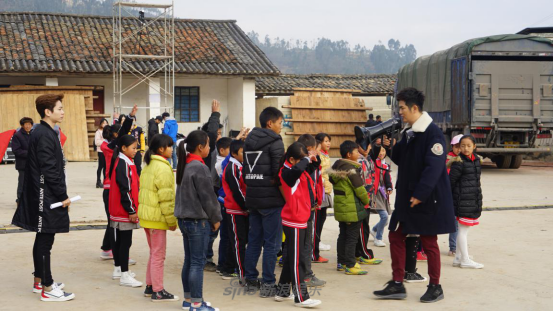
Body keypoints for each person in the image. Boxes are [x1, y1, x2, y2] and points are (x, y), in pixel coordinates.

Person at [373, 88, 456, 303]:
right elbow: (401, 159)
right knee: (395, 235)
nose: (399, 112)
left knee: (429, 242)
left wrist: (421, 194)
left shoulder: (432, 134)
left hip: (426, 198)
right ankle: (397, 283)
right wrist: (390, 145)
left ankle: (435, 286)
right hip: (408, 197)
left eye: (402, 108)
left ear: (414, 108)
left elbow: (434, 167)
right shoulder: (410, 132)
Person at [11, 94, 75, 302]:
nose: (63, 112)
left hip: (45, 193)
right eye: (59, 108)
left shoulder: (45, 131)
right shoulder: (44, 134)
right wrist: (63, 196)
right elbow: (49, 169)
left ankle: (40, 280)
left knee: (43, 237)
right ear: (48, 112)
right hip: (45, 195)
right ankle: (47, 287)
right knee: (45, 239)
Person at [175, 130, 222, 312]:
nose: (210, 148)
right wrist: (216, 218)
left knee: (190, 260)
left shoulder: (185, 164)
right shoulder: (199, 167)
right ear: (200, 147)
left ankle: (189, 299)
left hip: (184, 219)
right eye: (209, 145)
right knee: (197, 262)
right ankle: (196, 303)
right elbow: (208, 198)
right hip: (196, 221)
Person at [243, 107, 285, 297]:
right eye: (280, 123)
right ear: (270, 123)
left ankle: (250, 281)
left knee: (254, 241)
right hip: (271, 200)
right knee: (271, 244)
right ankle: (268, 284)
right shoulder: (276, 142)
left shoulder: (249, 141)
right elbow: (279, 174)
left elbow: (246, 172)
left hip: (253, 198)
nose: (281, 127)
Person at [275, 142, 323, 309]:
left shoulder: (298, 169)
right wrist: (306, 159)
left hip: (300, 218)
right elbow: (296, 171)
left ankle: (282, 291)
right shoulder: (286, 172)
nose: (304, 163)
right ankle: (301, 296)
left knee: (291, 258)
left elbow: (310, 169)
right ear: (292, 159)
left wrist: (314, 161)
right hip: (293, 220)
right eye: (300, 160)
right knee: (297, 261)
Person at [138, 134, 180, 302]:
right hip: (157, 218)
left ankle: (150, 286)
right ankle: (158, 290)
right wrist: (171, 221)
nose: (172, 149)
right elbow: (166, 198)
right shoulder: (162, 167)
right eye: (170, 146)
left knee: (154, 253)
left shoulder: (149, 164)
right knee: (158, 255)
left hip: (148, 218)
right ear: (161, 149)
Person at [99, 106, 137, 262]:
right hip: (111, 189)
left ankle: (108, 249)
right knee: (116, 225)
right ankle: (118, 257)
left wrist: (128, 118)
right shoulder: (108, 148)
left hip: (112, 189)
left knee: (114, 224)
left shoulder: (113, 148)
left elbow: (122, 134)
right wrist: (128, 119)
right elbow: (122, 135)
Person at [329, 141, 371, 275]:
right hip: (351, 208)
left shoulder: (337, 167)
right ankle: (350, 265)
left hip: (342, 208)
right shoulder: (351, 170)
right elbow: (360, 190)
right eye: (356, 152)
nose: (358, 154)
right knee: (352, 237)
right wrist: (367, 201)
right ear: (349, 154)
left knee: (343, 235)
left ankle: (341, 262)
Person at [109, 135, 143, 288]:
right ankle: (124, 274)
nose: (136, 150)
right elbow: (125, 190)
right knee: (125, 242)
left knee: (122, 241)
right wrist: (131, 210)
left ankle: (119, 269)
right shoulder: (123, 163)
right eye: (133, 147)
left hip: (122, 209)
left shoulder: (126, 161)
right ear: (124, 148)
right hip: (123, 210)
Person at [449, 135, 484, 269]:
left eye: (469, 146)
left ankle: (458, 257)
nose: (465, 148)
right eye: (462, 146)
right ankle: (465, 259)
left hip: (471, 200)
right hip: (462, 201)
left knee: (464, 230)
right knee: (462, 231)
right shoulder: (459, 162)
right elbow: (450, 182)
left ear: (474, 146)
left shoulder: (476, 161)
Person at [296, 135, 326, 287]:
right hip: (304, 208)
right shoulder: (301, 166)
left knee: (301, 243)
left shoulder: (303, 164)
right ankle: (305, 274)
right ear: (309, 150)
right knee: (305, 243)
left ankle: (301, 274)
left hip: (307, 206)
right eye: (315, 149)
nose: (317, 152)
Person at [222, 140, 248, 284]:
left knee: (242, 242)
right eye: (242, 152)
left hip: (242, 210)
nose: (245, 155)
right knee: (238, 243)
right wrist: (247, 206)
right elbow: (237, 192)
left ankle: (241, 270)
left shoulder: (240, 166)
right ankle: (242, 275)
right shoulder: (232, 167)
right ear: (234, 153)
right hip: (235, 210)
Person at [206, 137, 232, 273]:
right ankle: (212, 260)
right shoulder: (221, 164)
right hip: (221, 201)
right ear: (221, 150)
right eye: (231, 150)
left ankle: (220, 263)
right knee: (218, 232)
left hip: (220, 200)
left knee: (223, 234)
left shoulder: (222, 160)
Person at [355, 144, 383, 266]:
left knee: (363, 227)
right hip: (362, 199)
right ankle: (363, 253)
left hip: (369, 198)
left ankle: (358, 253)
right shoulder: (359, 160)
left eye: (369, 145)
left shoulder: (369, 158)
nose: (367, 148)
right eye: (363, 146)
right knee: (362, 228)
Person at [370, 146, 394, 248]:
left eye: (383, 151)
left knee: (386, 219)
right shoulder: (373, 163)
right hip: (374, 193)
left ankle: (374, 230)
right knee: (384, 216)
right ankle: (378, 238)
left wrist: (389, 188)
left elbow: (387, 178)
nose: (381, 153)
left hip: (382, 193)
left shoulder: (385, 165)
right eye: (379, 151)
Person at [315, 133, 332, 252]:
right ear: (319, 143)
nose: (328, 143)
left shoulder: (326, 155)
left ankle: (318, 241)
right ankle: (316, 242)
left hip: (326, 190)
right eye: (326, 141)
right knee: (318, 219)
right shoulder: (318, 156)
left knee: (322, 217)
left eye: (329, 141)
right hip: (320, 191)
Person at [446, 134, 464, 256]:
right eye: (456, 146)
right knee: (454, 222)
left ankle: (456, 247)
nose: (459, 149)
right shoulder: (448, 159)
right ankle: (453, 247)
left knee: (459, 223)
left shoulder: (467, 159)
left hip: (461, 196)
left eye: (461, 146)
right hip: (450, 195)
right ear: (452, 146)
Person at [12, 117, 34, 203]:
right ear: (22, 125)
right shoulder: (17, 135)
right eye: (26, 124)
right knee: (22, 183)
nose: (28, 126)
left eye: (29, 124)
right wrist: (30, 153)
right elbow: (16, 150)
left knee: (32, 183)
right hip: (23, 164)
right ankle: (20, 200)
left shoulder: (33, 134)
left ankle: (30, 200)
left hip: (33, 164)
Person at [95, 119, 109, 188]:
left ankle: (105, 180)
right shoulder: (98, 132)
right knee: (101, 166)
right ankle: (98, 181)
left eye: (106, 123)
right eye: (103, 123)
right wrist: (104, 142)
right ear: (101, 124)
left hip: (107, 151)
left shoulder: (108, 132)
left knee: (106, 167)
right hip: (101, 151)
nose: (105, 124)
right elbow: (97, 142)